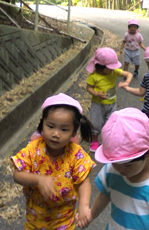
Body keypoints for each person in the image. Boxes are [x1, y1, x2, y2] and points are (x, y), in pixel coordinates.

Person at [77, 107, 149, 229]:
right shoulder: (111, 171)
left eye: (128, 165)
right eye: (115, 162)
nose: (120, 169)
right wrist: (90, 215)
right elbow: (105, 195)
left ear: (148, 153)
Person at [11, 93, 96, 229]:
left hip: (64, 221)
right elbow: (17, 174)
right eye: (50, 126)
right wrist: (38, 179)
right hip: (35, 220)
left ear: (74, 132)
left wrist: (84, 205)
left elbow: (83, 182)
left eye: (64, 129)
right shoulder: (33, 149)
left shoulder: (75, 154)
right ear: (42, 123)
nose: (56, 134)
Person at [86, 47, 133, 152]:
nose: (112, 69)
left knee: (110, 123)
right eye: (110, 67)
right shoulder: (94, 76)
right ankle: (94, 141)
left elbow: (128, 74)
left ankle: (108, 141)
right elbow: (89, 88)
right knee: (96, 123)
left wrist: (126, 82)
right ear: (100, 66)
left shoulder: (113, 72)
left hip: (112, 103)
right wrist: (97, 94)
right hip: (98, 104)